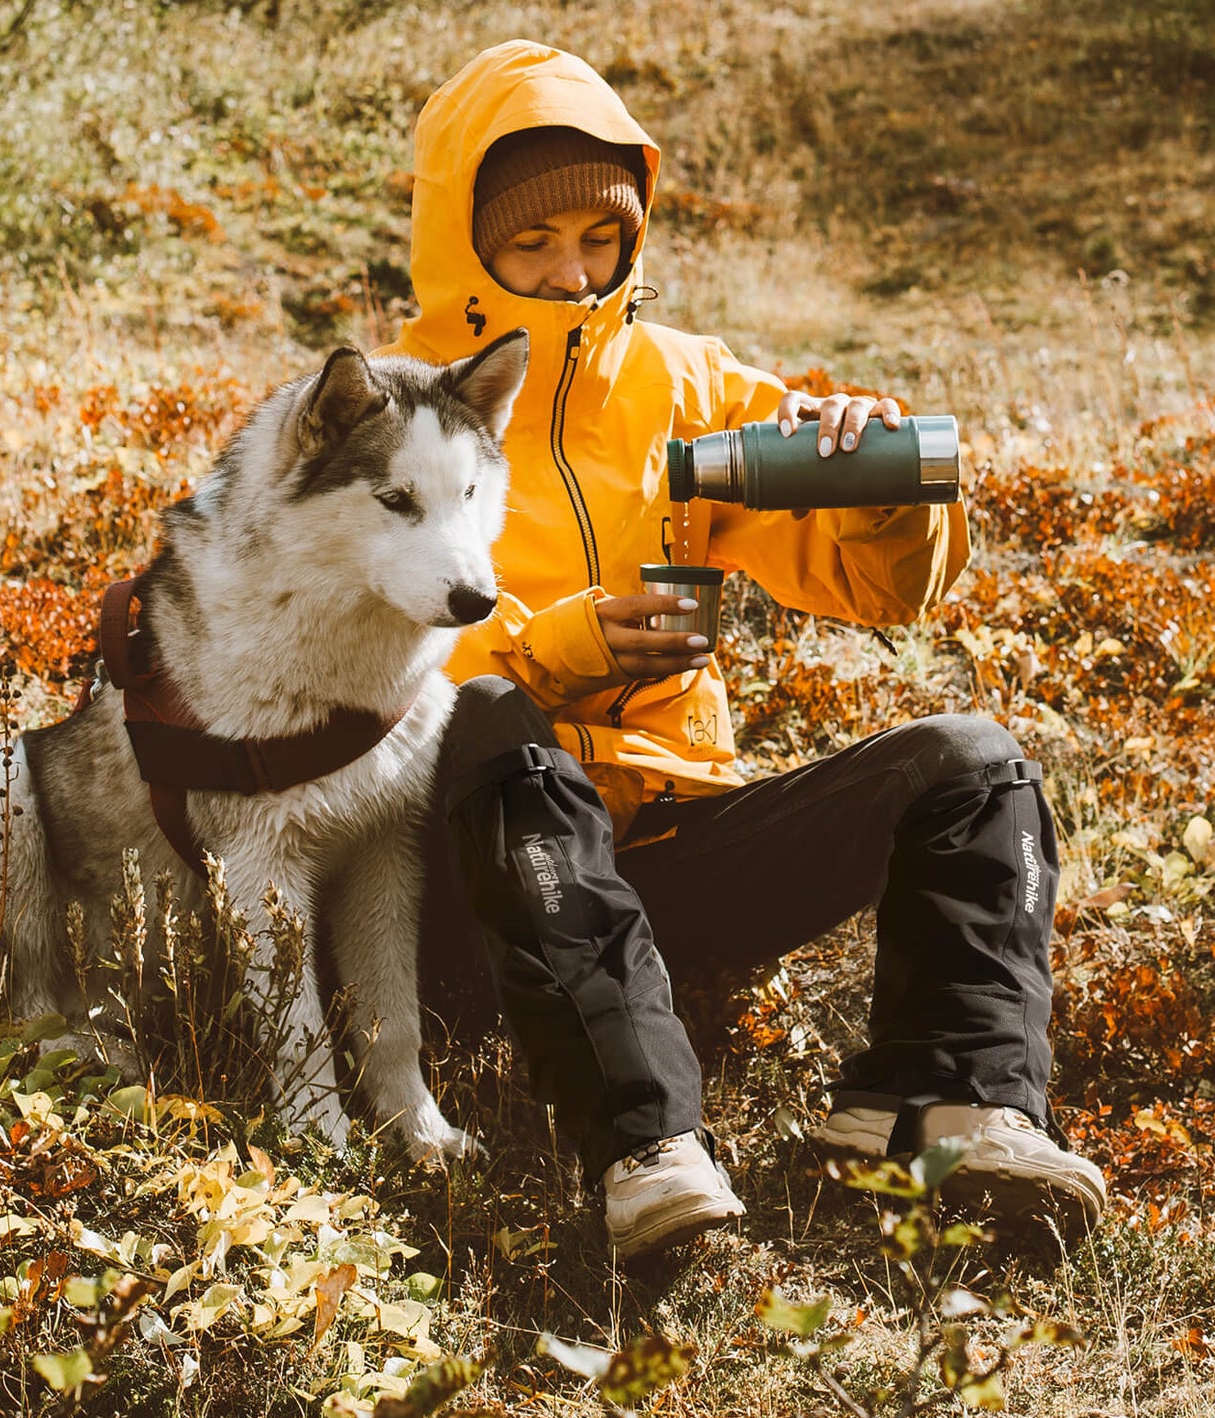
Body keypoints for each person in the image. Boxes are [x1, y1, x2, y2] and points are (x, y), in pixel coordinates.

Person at [381, 39, 1106, 1258]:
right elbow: (344, 680)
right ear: (465, 246)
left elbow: (887, 589)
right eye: (531, 243)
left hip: (663, 843)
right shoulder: (386, 415)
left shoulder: (685, 385)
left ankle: (939, 1104)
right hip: (469, 881)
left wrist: (876, 485)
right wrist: (552, 650)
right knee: (493, 712)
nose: (571, 272)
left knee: (971, 763)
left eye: (599, 239)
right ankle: (644, 1145)